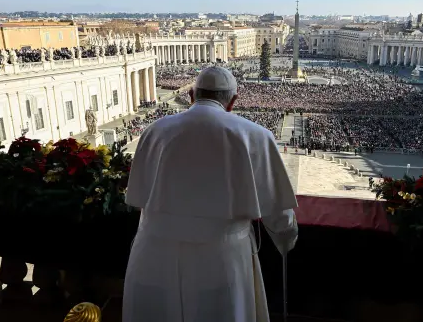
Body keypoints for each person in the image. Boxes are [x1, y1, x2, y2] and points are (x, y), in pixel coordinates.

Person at [123, 66, 298, 322]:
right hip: (220, 259)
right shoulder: (256, 136)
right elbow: (279, 216)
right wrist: (287, 240)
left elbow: (139, 196)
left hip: (152, 253)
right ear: (233, 102)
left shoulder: (153, 131)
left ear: (192, 95)